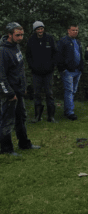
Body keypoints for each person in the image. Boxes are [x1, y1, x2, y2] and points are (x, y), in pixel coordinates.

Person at [0, 22, 41, 156]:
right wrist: (9, 93)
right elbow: (1, 76)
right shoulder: (3, 51)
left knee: (21, 118)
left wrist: (23, 87)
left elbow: (19, 69)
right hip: (9, 93)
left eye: (22, 35)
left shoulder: (16, 47)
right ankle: (6, 148)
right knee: (8, 120)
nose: (20, 38)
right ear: (9, 34)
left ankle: (24, 144)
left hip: (19, 90)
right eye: (17, 35)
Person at [26, 21, 58, 123]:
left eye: (41, 28)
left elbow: (55, 53)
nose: (40, 31)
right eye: (38, 29)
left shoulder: (49, 38)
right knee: (37, 94)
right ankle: (37, 116)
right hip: (36, 73)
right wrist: (32, 66)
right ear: (35, 30)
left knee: (49, 93)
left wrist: (52, 66)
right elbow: (28, 55)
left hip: (48, 72)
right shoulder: (31, 40)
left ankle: (51, 116)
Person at [57, 24, 84, 121]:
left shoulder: (78, 41)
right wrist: (63, 69)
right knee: (69, 90)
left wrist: (81, 68)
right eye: (73, 30)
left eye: (76, 30)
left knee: (73, 91)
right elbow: (59, 56)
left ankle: (67, 109)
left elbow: (80, 54)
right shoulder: (63, 41)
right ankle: (70, 112)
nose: (75, 32)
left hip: (77, 70)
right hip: (68, 71)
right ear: (68, 31)